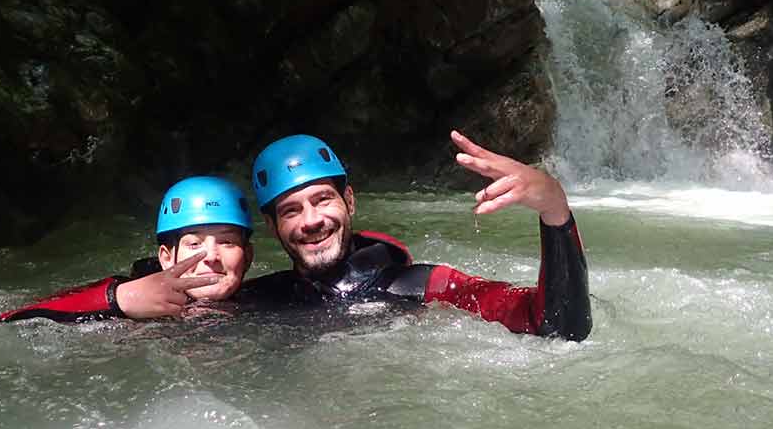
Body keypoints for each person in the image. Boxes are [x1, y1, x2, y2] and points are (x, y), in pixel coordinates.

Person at [239, 131, 591, 341]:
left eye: (323, 199)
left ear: (349, 202)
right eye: (291, 210)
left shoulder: (423, 285)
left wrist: (555, 211)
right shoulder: (259, 298)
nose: (311, 221)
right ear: (272, 228)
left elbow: (558, 328)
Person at [0, 176, 254, 323]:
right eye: (194, 243)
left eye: (227, 242)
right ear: (166, 258)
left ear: (248, 256)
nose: (211, 256)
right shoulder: (129, 291)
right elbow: (11, 318)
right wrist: (120, 299)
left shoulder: (264, 299)